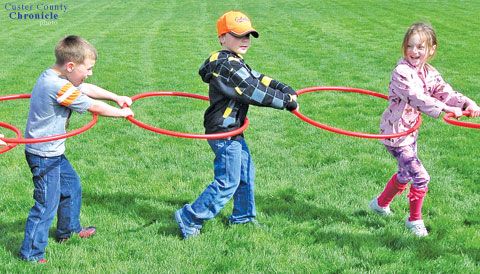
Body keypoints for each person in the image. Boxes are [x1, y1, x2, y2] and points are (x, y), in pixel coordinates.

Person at [174, 10, 298, 239]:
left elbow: (258, 78)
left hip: (233, 129)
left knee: (245, 174)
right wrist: (286, 102)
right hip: (223, 130)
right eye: (238, 35)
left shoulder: (234, 62)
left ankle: (243, 217)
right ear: (222, 37)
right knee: (228, 181)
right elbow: (252, 91)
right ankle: (191, 217)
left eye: (248, 36)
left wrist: (284, 88)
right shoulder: (227, 65)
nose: (245, 40)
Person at [19, 35, 134, 263]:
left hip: (53, 151)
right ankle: (31, 254)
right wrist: (121, 113)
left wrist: (116, 97)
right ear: (70, 66)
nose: (90, 73)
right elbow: (92, 105)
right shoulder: (57, 86)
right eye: (88, 68)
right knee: (46, 205)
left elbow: (86, 87)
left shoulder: (57, 75)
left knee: (72, 186)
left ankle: (68, 230)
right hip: (43, 154)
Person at [369, 22, 480, 237]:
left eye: (420, 47)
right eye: (410, 46)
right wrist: (447, 109)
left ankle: (380, 204)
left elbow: (444, 92)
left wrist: (467, 103)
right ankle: (414, 221)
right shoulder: (401, 72)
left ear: (432, 49)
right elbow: (417, 98)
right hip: (395, 134)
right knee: (421, 177)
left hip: (410, 132)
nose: (414, 51)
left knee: (405, 174)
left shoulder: (429, 72)